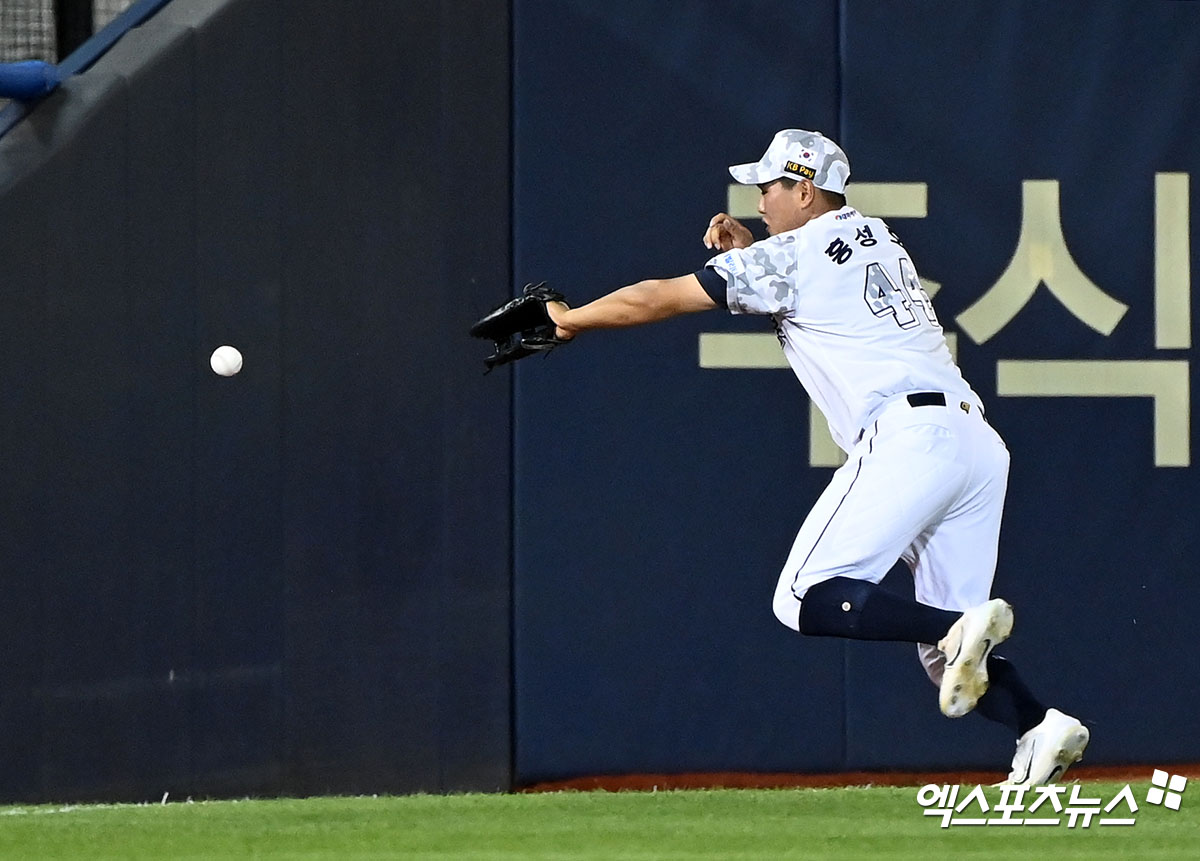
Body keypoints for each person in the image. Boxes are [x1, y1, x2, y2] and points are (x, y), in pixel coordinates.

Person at [544, 128, 1089, 785]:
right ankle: (1038, 727)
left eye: (769, 187)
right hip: (975, 446)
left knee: (803, 596)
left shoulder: (791, 258)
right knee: (951, 664)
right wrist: (757, 251)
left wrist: (570, 318)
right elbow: (810, 278)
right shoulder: (879, 236)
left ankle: (958, 623)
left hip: (908, 437)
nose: (759, 198)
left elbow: (659, 296)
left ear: (805, 190)